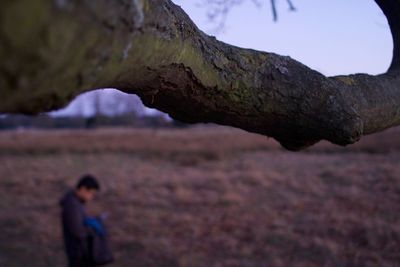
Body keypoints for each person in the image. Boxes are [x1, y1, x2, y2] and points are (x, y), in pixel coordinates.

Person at [60, 174, 100, 267]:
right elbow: (78, 231)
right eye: (91, 193)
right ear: (83, 189)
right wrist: (92, 229)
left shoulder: (76, 203)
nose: (91, 197)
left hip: (79, 253)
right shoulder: (72, 206)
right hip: (77, 254)